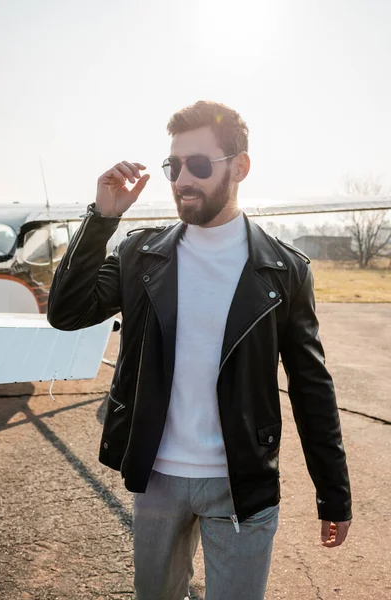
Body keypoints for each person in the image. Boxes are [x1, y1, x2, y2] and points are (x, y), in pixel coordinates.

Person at [47, 100, 352, 600]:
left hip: (242, 484)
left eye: (200, 165)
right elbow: (67, 311)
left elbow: (312, 387)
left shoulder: (284, 270)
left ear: (241, 167)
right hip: (158, 476)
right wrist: (101, 218)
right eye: (174, 165)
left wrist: (333, 493)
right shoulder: (139, 254)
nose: (183, 179)